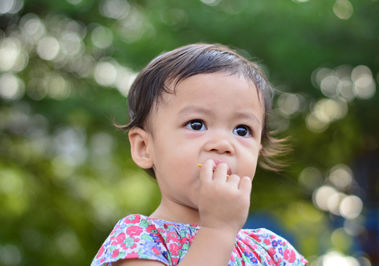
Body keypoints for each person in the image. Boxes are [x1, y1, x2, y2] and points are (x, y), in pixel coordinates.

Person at [91, 43, 308, 266]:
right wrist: (217, 230)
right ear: (144, 148)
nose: (223, 144)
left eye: (242, 130)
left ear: (258, 152)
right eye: (196, 124)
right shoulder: (137, 241)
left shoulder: (272, 251)